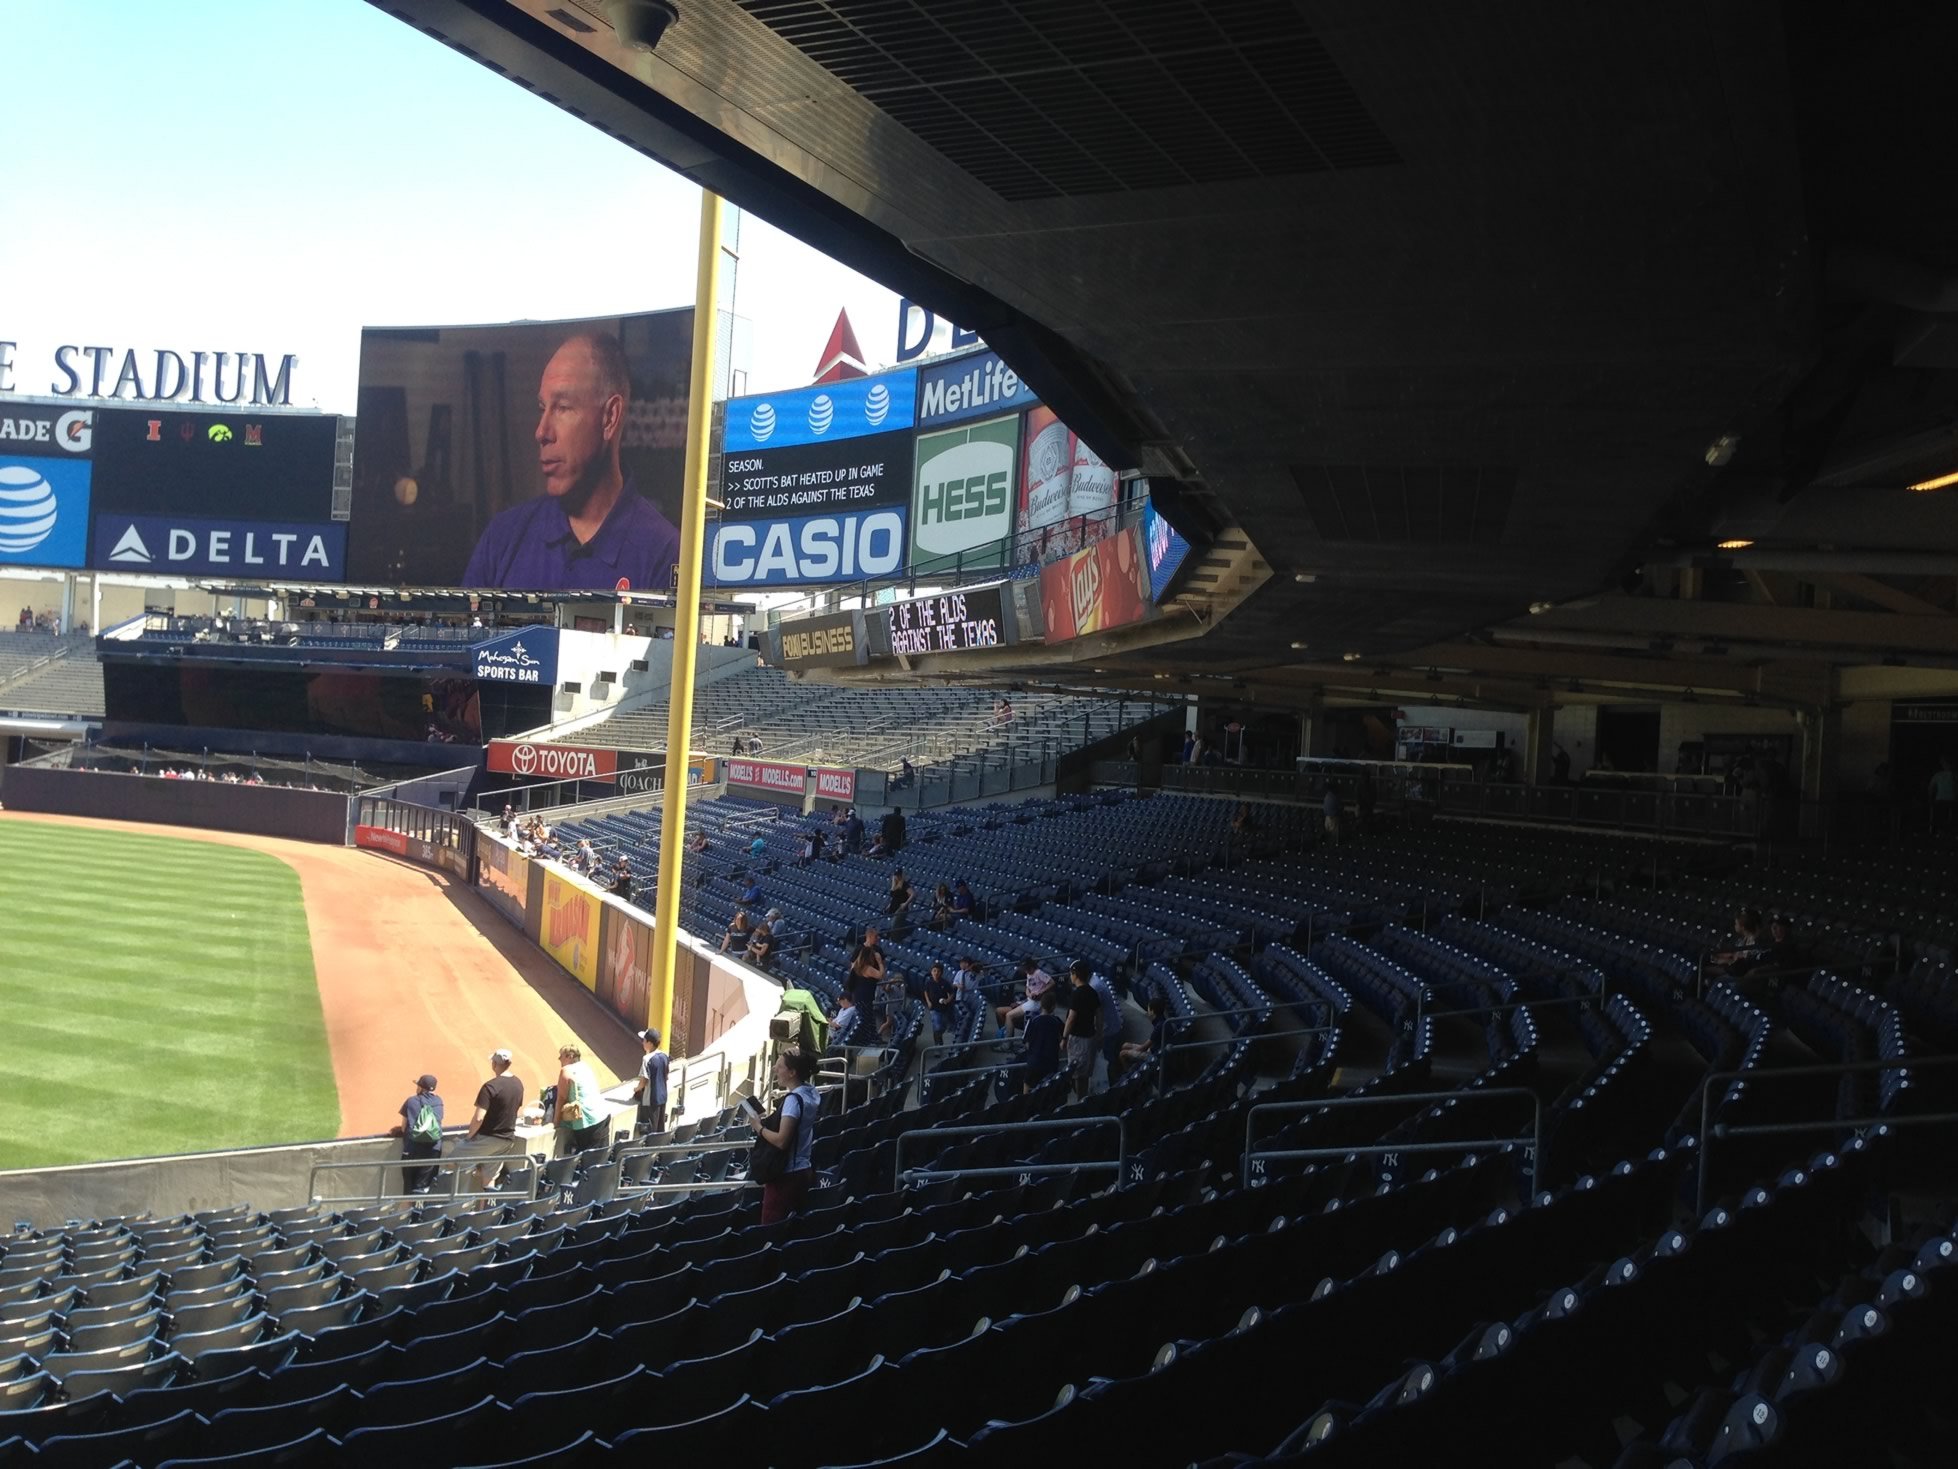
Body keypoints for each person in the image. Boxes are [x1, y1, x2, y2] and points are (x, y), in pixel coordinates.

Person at [461, 332, 680, 591]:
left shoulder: (665, 555)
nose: (541, 432)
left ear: (610, 417)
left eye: (563, 408)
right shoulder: (502, 539)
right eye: (543, 408)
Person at [749, 1047, 820, 1223]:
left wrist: (759, 1127)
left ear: (792, 1073)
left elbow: (782, 1141)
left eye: (780, 1066)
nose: (775, 1069)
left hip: (786, 1176)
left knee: (772, 1230)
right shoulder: (811, 1092)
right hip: (803, 1170)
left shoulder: (792, 1101)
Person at [457, 1048, 526, 1193]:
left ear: (494, 1064)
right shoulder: (518, 1084)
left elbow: (478, 1118)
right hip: (507, 1140)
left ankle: (457, 1207)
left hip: (487, 1138)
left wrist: (469, 1138)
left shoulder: (490, 1087)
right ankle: (486, 1213)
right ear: (509, 1063)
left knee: (451, 1162)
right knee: (489, 1180)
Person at [391, 1074, 445, 1195]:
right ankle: (419, 1212)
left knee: (409, 1189)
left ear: (420, 1088)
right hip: (433, 1150)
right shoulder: (439, 1101)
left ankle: (408, 1213)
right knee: (423, 1189)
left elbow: (404, 1127)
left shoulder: (411, 1101)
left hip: (412, 1149)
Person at [554, 1043, 610, 1155]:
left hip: (588, 1123)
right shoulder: (585, 1066)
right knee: (600, 1161)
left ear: (570, 1056)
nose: (559, 1058)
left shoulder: (566, 1070)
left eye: (561, 1056)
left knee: (587, 1161)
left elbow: (561, 1098)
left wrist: (555, 1122)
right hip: (603, 1117)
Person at [1062, 961, 1102, 1100]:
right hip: (1090, 1036)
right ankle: (1082, 1098)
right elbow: (1099, 1015)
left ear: (1076, 975)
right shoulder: (1092, 992)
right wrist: (1099, 1034)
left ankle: (1081, 1101)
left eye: (1071, 974)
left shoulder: (1077, 994)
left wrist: (1064, 1037)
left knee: (1078, 1073)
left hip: (1079, 1038)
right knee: (1084, 1073)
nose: (1070, 977)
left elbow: (1071, 1018)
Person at [996, 957, 1053, 1039]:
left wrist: (1041, 992)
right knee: (1000, 1011)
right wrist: (1029, 995)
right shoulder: (1028, 974)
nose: (1025, 970)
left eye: (1026, 968)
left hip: (1037, 1003)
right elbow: (1027, 989)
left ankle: (1007, 1044)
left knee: (1009, 1015)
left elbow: (1051, 983)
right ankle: (1003, 1036)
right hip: (1029, 1001)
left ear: (1030, 966)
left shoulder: (1038, 973)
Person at [1022, 989, 1063, 1093]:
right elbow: (1063, 1040)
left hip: (1034, 1061)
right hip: (1051, 1062)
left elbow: (1026, 1043)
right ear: (1054, 1006)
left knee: (1027, 1084)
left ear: (1041, 1005)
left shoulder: (1032, 1020)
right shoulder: (1057, 1021)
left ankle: (1024, 1106)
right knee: (1048, 1090)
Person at [1119, 995, 1171, 1077]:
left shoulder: (1159, 1027)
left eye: (1149, 1009)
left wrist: (1132, 1051)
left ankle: (1129, 1076)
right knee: (1125, 1045)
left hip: (1154, 1055)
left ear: (1153, 1011)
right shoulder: (1162, 1020)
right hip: (1155, 1048)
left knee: (1123, 1053)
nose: (1147, 1011)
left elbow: (1144, 1048)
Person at [632, 1028, 669, 1137]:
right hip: (663, 1097)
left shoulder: (647, 1059)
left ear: (650, 1043)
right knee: (660, 1130)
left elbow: (643, 1081)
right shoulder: (664, 1056)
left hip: (651, 1100)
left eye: (644, 1040)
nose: (642, 1042)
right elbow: (666, 1076)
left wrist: (636, 1089)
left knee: (650, 1133)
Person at [848, 925, 886, 1025]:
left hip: (873, 983)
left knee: (867, 1010)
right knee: (864, 1012)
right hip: (862, 984)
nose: (877, 938)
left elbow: (883, 966)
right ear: (869, 936)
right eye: (875, 936)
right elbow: (852, 966)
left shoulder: (878, 949)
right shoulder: (859, 949)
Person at [923, 961, 956, 1043]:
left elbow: (951, 993)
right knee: (937, 1026)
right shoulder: (929, 982)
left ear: (941, 972)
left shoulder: (945, 983)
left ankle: (938, 1038)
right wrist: (928, 1002)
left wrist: (947, 1000)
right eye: (934, 971)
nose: (936, 973)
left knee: (942, 1027)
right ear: (931, 972)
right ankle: (938, 1045)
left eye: (938, 971)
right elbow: (925, 991)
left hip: (944, 1009)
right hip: (934, 1008)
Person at [1932, 755, 1957, 834]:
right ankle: (1942, 832)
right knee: (1943, 817)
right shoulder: (1939, 775)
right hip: (1946, 799)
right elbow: (1931, 787)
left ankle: (1945, 831)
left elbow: (1931, 787)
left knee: (1946, 817)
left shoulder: (1953, 775)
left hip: (1947, 799)